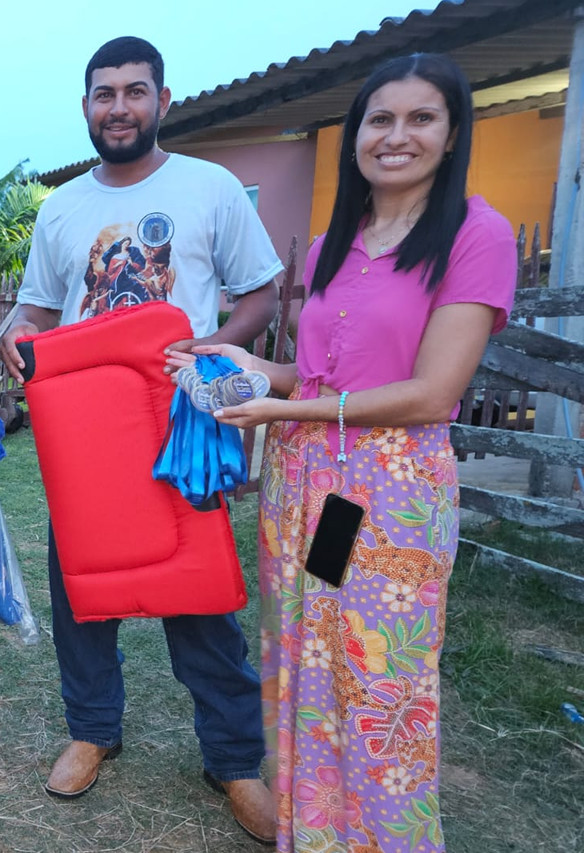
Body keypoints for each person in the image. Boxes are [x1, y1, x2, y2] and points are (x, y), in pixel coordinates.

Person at [169, 54, 516, 851]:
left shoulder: (476, 234)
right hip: (310, 485)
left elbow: (432, 392)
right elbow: (324, 371)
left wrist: (289, 405)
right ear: (356, 135)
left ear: (453, 131)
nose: (397, 136)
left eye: (420, 117)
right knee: (309, 660)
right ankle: (317, 834)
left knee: (380, 675)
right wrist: (263, 372)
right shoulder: (334, 241)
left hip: (389, 491)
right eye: (379, 119)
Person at [0, 36, 282, 845]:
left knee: (202, 588)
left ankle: (234, 760)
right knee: (81, 581)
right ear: (86, 106)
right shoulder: (60, 209)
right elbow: (39, 311)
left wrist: (214, 345)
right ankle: (92, 729)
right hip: (87, 431)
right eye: (103, 94)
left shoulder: (212, 187)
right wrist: (18, 339)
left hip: (180, 423)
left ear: (162, 99)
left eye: (133, 91)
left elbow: (261, 291)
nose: (117, 107)